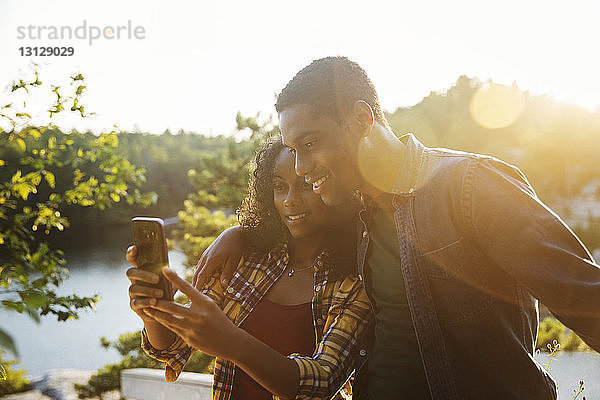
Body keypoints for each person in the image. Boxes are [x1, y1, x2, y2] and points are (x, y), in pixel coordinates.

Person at [194, 56, 600, 399]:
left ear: (360, 118)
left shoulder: (471, 186)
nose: (301, 167)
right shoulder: (354, 210)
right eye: (294, 151)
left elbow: (584, 297)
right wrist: (240, 234)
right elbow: (294, 224)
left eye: (311, 144)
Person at [125, 137, 372, 400]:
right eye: (279, 186)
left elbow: (323, 381)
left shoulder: (357, 278)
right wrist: (152, 310)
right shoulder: (247, 260)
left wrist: (232, 343)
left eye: (305, 185)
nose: (289, 200)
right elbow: (172, 347)